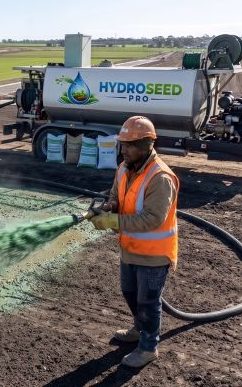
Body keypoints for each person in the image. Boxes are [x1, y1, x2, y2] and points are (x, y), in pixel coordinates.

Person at [89, 115, 179, 368]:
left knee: (149, 302)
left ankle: (149, 347)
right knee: (129, 293)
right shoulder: (123, 168)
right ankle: (139, 330)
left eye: (129, 145)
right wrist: (108, 208)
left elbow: (152, 220)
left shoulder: (160, 178)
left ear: (147, 144)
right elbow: (116, 197)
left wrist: (112, 222)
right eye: (122, 144)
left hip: (154, 253)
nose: (123, 150)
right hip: (130, 248)